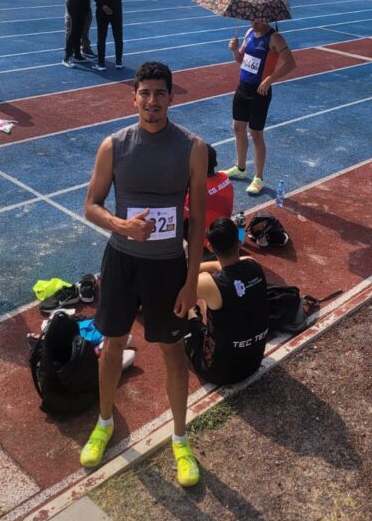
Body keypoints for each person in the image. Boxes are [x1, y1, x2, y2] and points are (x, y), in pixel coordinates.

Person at [82, 61, 207, 486]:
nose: (152, 101)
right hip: (122, 263)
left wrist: (191, 282)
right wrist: (120, 225)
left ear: (171, 97)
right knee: (112, 345)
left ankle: (180, 438)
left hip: (168, 268)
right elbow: (91, 205)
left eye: (160, 93)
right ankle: (103, 424)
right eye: (145, 93)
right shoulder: (113, 145)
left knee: (173, 354)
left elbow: (198, 222)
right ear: (133, 97)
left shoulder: (192, 148)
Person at [185, 217, 268, 386]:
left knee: (187, 306)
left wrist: (188, 268)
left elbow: (181, 281)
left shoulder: (208, 283)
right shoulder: (253, 264)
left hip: (220, 373)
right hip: (253, 363)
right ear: (239, 243)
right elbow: (219, 266)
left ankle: (192, 318)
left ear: (210, 247)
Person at [226, 19, 296, 196]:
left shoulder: (275, 38)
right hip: (243, 87)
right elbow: (241, 60)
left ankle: (258, 178)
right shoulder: (249, 33)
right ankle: (240, 167)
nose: (254, 22)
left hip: (260, 92)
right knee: (237, 127)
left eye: (259, 19)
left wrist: (269, 79)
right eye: (253, 18)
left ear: (268, 18)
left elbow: (290, 63)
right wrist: (235, 50)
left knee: (256, 134)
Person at [184, 144, 234, 251]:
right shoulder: (224, 177)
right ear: (215, 163)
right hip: (224, 229)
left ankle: (201, 247)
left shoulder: (196, 191)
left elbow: (180, 216)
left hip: (209, 241)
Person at [63, 0, 95, 67]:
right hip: (76, 8)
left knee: (78, 32)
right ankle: (67, 57)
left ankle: (77, 54)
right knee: (74, 32)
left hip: (76, 7)